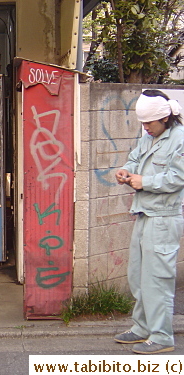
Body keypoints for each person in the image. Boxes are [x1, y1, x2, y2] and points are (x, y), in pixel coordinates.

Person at [114, 89, 184, 354]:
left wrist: (146, 182)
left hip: (164, 218)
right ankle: (142, 328)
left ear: (165, 118)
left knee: (158, 280)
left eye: (149, 123)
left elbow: (178, 177)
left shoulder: (179, 139)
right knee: (139, 276)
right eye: (143, 123)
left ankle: (162, 336)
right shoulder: (148, 138)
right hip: (144, 213)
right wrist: (126, 171)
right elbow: (134, 159)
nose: (145, 128)